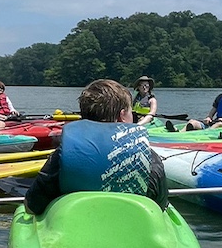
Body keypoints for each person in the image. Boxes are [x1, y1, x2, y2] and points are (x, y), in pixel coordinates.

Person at [24, 79, 168, 215]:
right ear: (122, 116)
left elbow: (32, 206)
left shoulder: (64, 154)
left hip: (74, 230)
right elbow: (160, 207)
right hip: (132, 230)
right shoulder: (148, 157)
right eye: (131, 112)